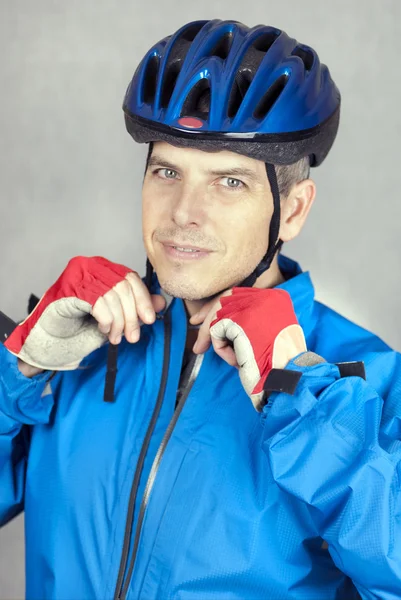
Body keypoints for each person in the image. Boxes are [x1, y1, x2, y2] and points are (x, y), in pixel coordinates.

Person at [0, 18, 400, 600]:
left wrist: (306, 403)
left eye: (229, 182)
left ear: (292, 211)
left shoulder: (373, 382)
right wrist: (18, 375)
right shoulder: (78, 343)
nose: (184, 211)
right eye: (167, 171)